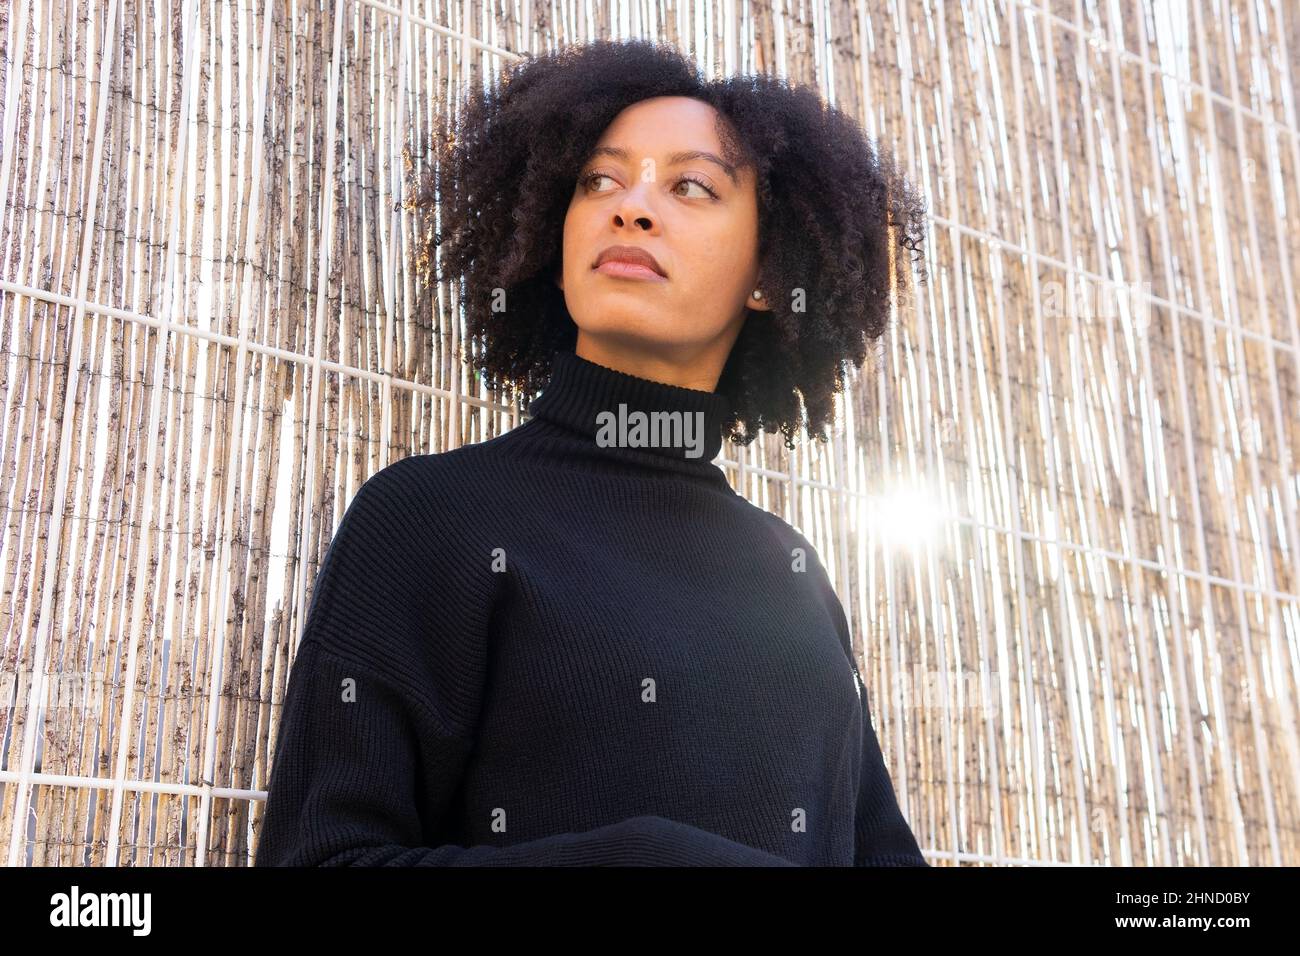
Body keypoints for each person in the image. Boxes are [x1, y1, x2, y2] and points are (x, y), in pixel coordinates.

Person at [255, 38, 929, 867]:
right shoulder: (431, 519)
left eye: (690, 186)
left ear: (769, 270)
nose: (631, 207)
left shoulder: (792, 573)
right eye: (598, 181)